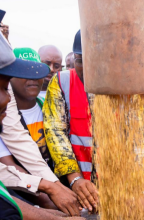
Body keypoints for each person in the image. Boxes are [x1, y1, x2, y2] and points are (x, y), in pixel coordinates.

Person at [0, 32, 84, 220]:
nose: (7, 98)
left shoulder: (43, 106)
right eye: (4, 87)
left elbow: (20, 142)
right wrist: (47, 196)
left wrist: (53, 186)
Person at [43, 30, 98, 213]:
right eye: (81, 60)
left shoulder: (125, 84)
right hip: (75, 183)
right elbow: (55, 132)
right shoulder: (61, 81)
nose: (87, 67)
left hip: (116, 183)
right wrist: (74, 178)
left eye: (95, 60)